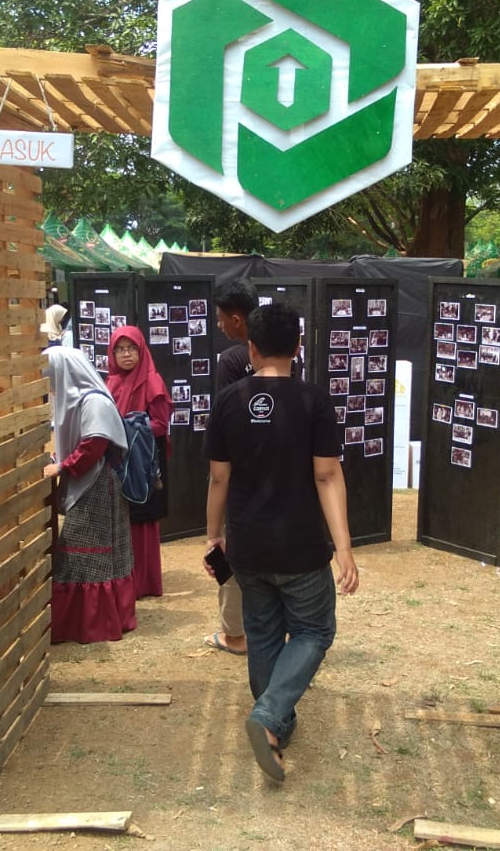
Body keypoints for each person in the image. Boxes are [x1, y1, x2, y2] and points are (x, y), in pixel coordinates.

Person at [203, 302, 360, 782]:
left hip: (247, 546)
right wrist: (345, 548)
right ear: (298, 346)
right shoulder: (314, 401)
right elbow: (327, 476)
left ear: (250, 348)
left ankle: (276, 724)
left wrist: (213, 536)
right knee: (314, 631)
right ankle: (270, 716)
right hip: (301, 546)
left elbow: (218, 479)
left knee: (263, 633)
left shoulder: (227, 401)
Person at [43, 344, 136, 643]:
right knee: (98, 549)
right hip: (94, 480)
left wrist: (63, 467)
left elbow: (95, 443)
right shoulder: (84, 399)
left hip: (97, 483)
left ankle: (91, 622)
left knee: (83, 548)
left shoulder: (94, 401)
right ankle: (101, 617)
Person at [203, 277, 258, 655]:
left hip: (239, 472)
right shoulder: (288, 353)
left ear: (236, 319)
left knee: (231, 551)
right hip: (280, 472)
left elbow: (226, 420)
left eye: (221, 317)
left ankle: (235, 634)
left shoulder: (232, 360)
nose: (219, 324)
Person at [106, 325, 172, 598]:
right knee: (123, 519)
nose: (126, 354)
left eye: (132, 348)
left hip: (144, 461)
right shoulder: (111, 382)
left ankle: (144, 583)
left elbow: (161, 424)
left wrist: (127, 427)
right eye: (120, 349)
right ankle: (124, 580)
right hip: (120, 460)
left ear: (141, 350)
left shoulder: (152, 381)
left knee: (143, 520)